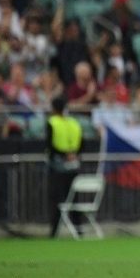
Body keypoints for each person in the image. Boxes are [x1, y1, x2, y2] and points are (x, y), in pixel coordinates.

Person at [47, 96, 83, 238]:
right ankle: (79, 230)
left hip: (57, 166)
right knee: (74, 198)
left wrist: (63, 154)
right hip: (73, 165)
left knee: (56, 199)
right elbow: (82, 143)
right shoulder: (74, 123)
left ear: (54, 108)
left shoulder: (52, 122)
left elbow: (49, 145)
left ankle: (54, 231)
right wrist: (73, 154)